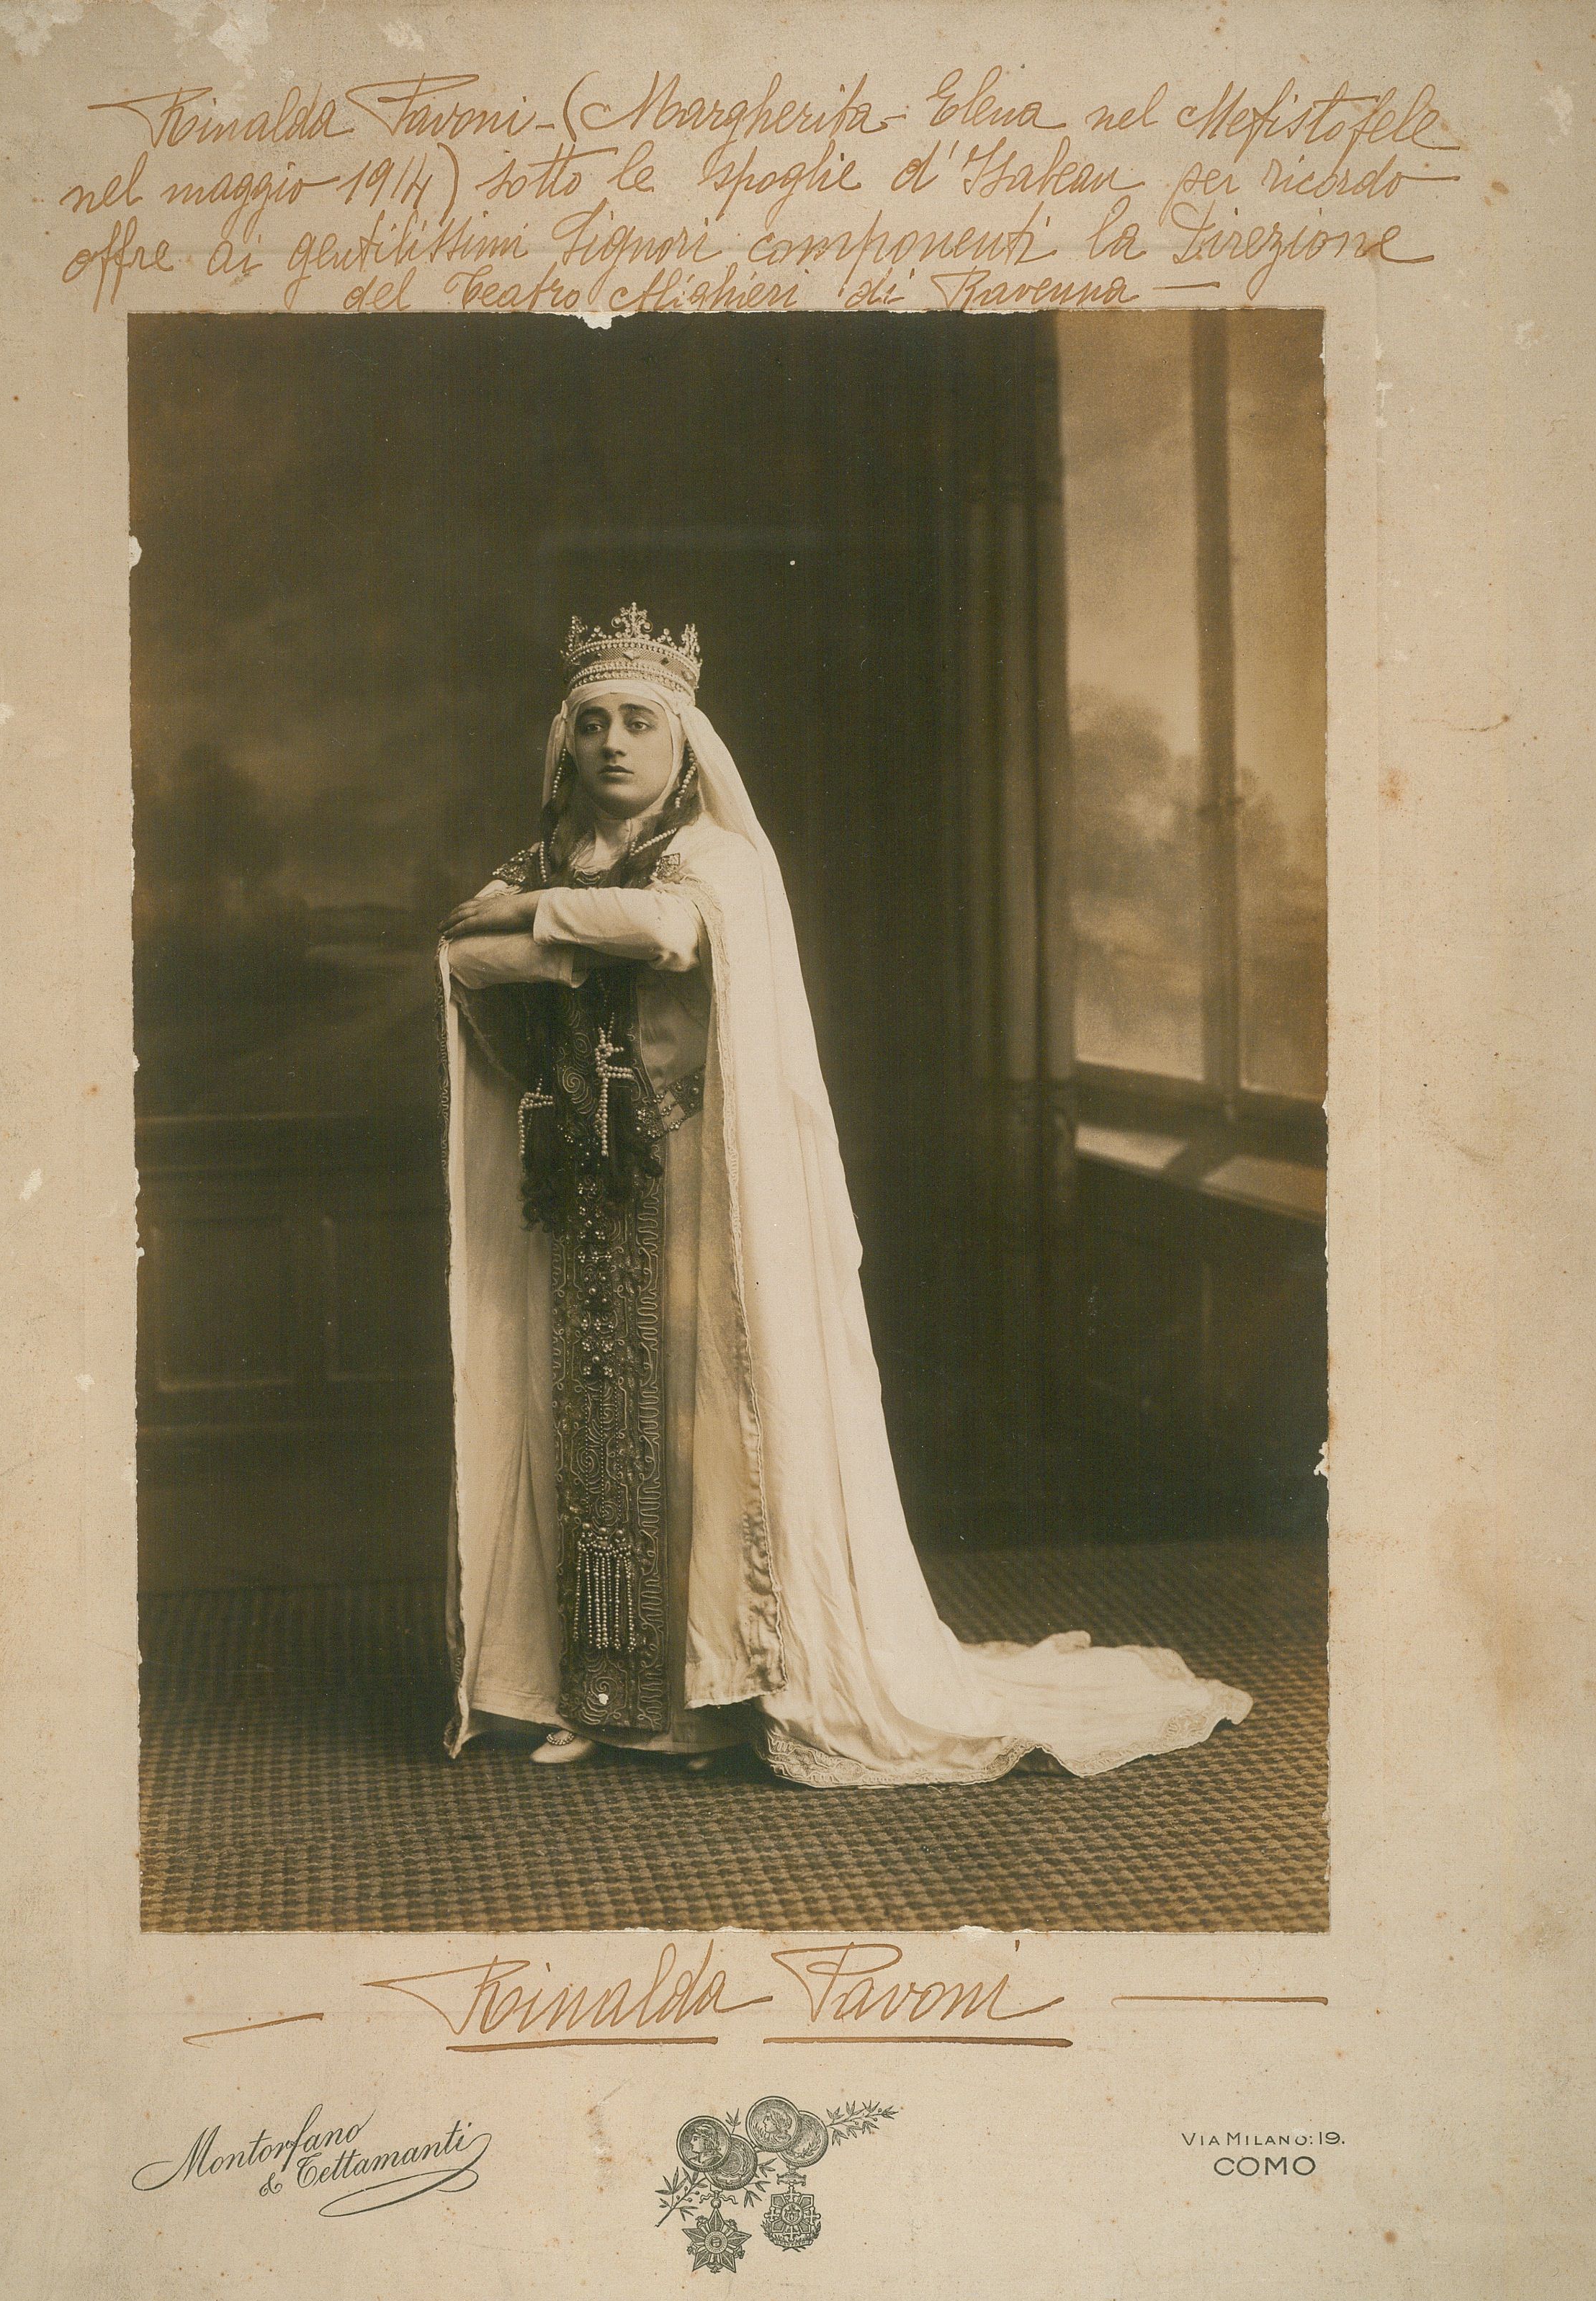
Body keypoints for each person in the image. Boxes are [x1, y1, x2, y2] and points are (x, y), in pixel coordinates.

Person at [439, 606, 1252, 1788]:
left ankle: (714, 1696)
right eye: (596, 722)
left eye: (641, 723)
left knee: (705, 1429)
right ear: (568, 740)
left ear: (682, 740)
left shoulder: (717, 858)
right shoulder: (547, 859)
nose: (614, 743)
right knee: (586, 1430)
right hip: (583, 1184)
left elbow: (667, 934)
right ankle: (597, 1690)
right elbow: (460, 952)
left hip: (700, 1187)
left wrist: (535, 924)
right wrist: (554, 926)